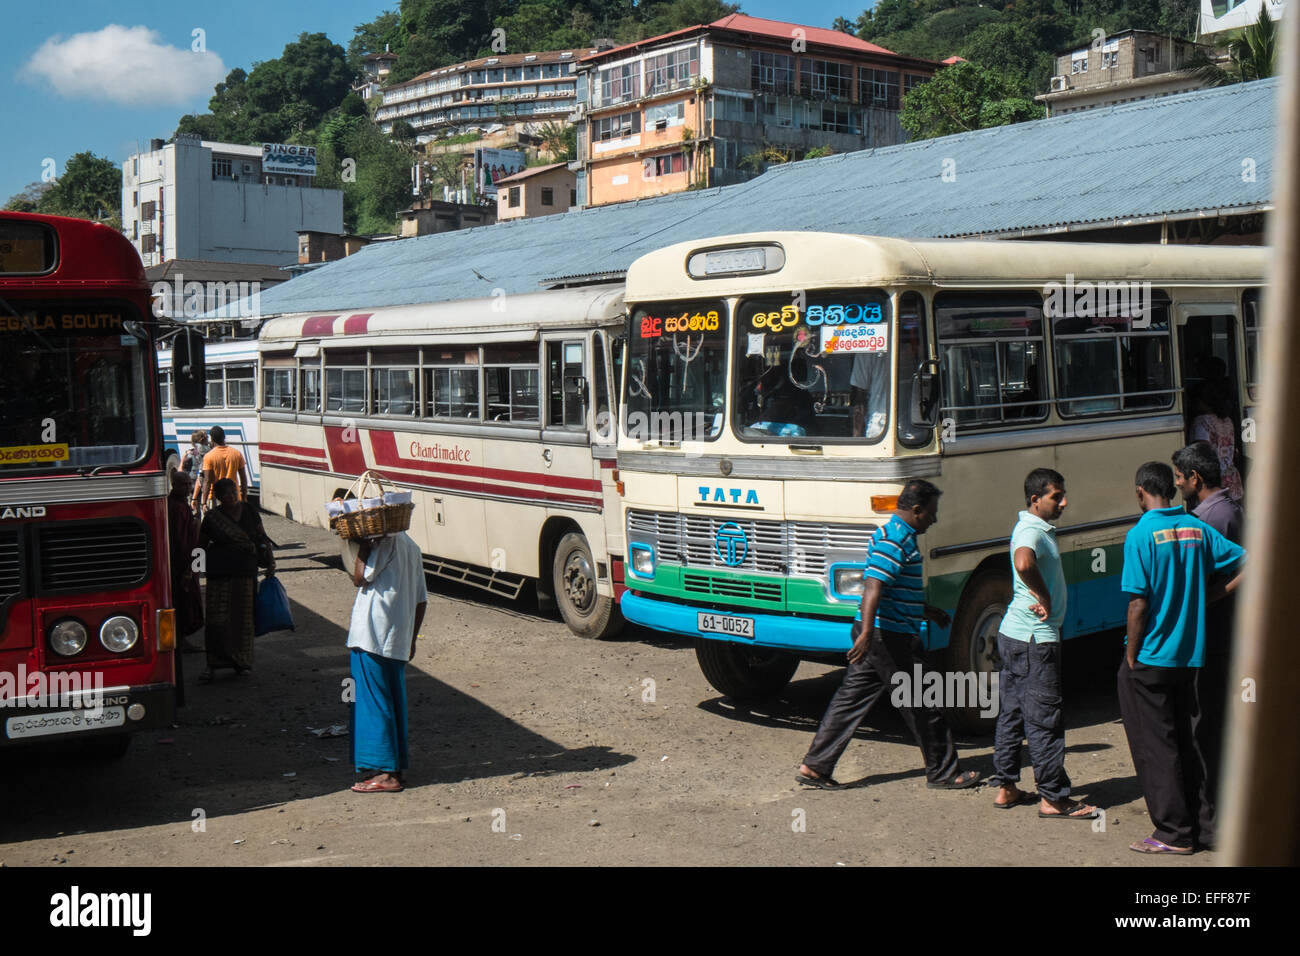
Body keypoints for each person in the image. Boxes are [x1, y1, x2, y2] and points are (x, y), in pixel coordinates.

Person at [796, 479, 979, 791]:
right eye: (931, 513)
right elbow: (873, 586)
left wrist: (925, 610)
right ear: (916, 510)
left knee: (851, 700)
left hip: (882, 634)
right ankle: (944, 772)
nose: (934, 519)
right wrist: (867, 633)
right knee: (923, 702)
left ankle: (815, 766)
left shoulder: (895, 535)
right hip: (888, 638)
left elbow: (893, 590)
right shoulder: (896, 540)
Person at [1118, 461, 1244, 854]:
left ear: (1141, 492)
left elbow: (1138, 603)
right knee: (1189, 743)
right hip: (1191, 655)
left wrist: (1131, 654)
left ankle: (1172, 833)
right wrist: (1210, 597)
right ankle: (1205, 830)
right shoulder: (1196, 527)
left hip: (1153, 656)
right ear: (1169, 491)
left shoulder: (1141, 534)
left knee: (1157, 746)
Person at [990, 468, 1099, 819]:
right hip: (1036, 640)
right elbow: (1024, 563)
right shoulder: (1032, 529)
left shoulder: (1032, 527)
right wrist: (1045, 596)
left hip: (1014, 635)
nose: (1064, 502)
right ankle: (1053, 797)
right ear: (1035, 500)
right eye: (1056, 496)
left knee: (1012, 713)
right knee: (1045, 719)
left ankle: (1006, 786)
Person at [1171, 441, 1245, 805]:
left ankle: (1212, 799)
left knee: (1207, 718)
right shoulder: (1226, 508)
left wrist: (1212, 596)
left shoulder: (1211, 519)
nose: (1177, 485)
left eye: (1180, 479)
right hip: (1221, 631)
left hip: (1215, 633)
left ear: (1195, 478)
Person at [346, 531, 428, 793]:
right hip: (397, 639)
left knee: (373, 704)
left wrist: (362, 550)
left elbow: (359, 578)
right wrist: (411, 639)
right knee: (392, 702)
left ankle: (384, 774)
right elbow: (421, 599)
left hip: (372, 635)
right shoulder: (411, 546)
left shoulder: (382, 545)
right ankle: (395, 767)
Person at [197, 478, 273, 683]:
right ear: (219, 497)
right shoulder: (212, 517)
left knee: (243, 620)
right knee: (216, 621)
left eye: (234, 492)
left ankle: (242, 662)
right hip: (218, 574)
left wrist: (270, 562)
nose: (232, 496)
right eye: (227, 493)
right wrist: (193, 571)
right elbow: (200, 545)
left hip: (245, 573)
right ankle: (213, 664)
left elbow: (262, 536)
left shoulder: (248, 510)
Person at [167, 470, 205, 658]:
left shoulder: (178, 504)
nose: (188, 488)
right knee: (184, 601)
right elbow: (182, 540)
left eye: (189, 484)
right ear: (174, 485)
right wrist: (189, 568)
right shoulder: (176, 507)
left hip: (189, 559)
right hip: (183, 562)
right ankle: (181, 640)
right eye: (184, 485)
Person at [1187, 380, 1243, 501]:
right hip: (1232, 478)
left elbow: (1201, 453)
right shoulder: (1227, 420)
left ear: (1201, 401)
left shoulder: (1201, 422)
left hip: (1214, 485)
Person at [193, 425, 248, 512]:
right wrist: (244, 498)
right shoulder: (237, 454)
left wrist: (204, 503)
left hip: (216, 497)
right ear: (224, 437)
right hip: (234, 497)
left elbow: (207, 481)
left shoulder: (209, 456)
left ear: (211, 439)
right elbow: (243, 479)